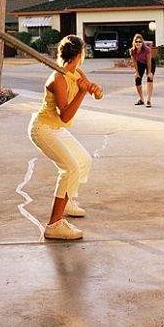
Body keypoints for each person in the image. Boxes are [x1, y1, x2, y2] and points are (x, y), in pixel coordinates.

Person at [28, 35, 103, 241]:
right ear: (80, 54)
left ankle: (67, 202)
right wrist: (82, 92)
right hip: (42, 128)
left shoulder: (76, 72)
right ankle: (54, 225)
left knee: (84, 160)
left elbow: (92, 90)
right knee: (69, 169)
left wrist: (95, 90)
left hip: (56, 127)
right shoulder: (58, 79)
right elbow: (66, 115)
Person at [129, 33, 157, 107]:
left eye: (140, 41)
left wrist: (149, 72)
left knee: (149, 78)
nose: (138, 43)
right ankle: (141, 99)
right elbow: (134, 62)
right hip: (140, 63)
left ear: (142, 43)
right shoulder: (132, 50)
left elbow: (148, 61)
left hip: (150, 62)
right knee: (137, 79)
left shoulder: (146, 49)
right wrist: (136, 72)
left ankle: (148, 100)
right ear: (134, 42)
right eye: (136, 41)